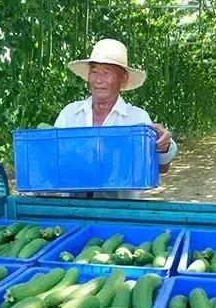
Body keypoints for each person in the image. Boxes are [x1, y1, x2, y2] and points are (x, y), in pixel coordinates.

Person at [53, 38, 178, 200]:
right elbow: (52, 160)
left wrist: (164, 146)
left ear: (123, 80)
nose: (98, 80)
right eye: (94, 71)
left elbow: (162, 167)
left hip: (120, 212)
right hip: (73, 210)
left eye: (106, 72)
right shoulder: (69, 114)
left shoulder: (137, 119)